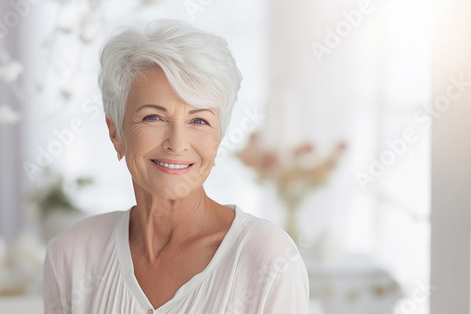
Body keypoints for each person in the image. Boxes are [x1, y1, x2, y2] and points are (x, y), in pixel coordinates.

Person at [43, 19, 309, 314]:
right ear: (115, 132)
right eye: (153, 117)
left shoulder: (268, 259)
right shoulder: (71, 256)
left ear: (218, 137)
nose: (177, 143)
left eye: (199, 121)